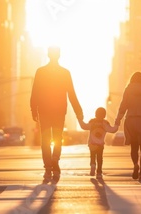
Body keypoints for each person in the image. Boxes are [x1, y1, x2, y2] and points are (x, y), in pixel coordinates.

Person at [30, 46, 84, 181]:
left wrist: (33, 109)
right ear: (59, 55)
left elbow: (35, 92)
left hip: (44, 111)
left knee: (46, 140)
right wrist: (79, 111)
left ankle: (48, 168)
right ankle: (55, 161)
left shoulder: (41, 72)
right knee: (58, 138)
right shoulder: (65, 73)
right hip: (59, 111)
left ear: (48, 54)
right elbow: (72, 94)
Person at [115, 72, 141, 181]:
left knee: (134, 146)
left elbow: (123, 106)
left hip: (131, 120)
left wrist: (117, 119)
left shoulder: (128, 89)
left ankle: (135, 164)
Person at [78, 107, 120, 179]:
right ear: (104, 115)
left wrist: (80, 119)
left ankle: (93, 165)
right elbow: (113, 130)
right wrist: (117, 124)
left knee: (93, 156)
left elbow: (84, 126)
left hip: (92, 144)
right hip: (100, 144)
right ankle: (99, 172)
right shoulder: (105, 123)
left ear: (95, 114)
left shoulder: (92, 122)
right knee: (100, 158)